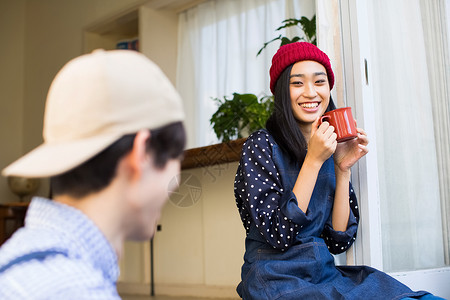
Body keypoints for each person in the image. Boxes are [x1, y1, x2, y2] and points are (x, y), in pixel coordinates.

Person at [234, 42, 443, 299]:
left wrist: (342, 169)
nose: (311, 92)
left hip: (323, 273)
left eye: (319, 82)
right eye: (297, 83)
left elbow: (338, 241)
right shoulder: (261, 145)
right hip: (274, 277)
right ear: (281, 91)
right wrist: (313, 160)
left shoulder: (332, 147)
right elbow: (279, 234)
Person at [0, 49, 185, 299]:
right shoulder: (78, 290)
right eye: (178, 158)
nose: (177, 182)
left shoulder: (15, 260)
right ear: (143, 154)